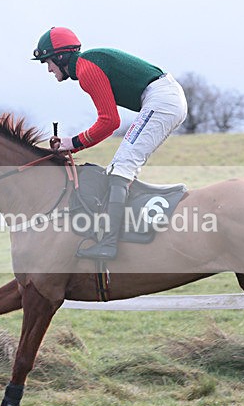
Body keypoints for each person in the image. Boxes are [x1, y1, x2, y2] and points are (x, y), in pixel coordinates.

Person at [32, 26, 188, 260]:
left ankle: (109, 244)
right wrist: (71, 144)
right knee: (123, 165)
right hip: (165, 97)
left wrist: (71, 143)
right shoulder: (85, 65)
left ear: (61, 57)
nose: (49, 69)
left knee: (121, 166)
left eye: (48, 62)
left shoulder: (86, 69)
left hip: (162, 99)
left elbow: (109, 122)